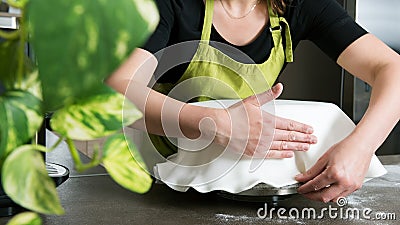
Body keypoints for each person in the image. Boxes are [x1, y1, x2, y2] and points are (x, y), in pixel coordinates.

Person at [106, 0, 400, 203]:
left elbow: (392, 69)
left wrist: (363, 146)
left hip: (267, 193)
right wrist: (211, 123)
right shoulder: (171, 5)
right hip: (166, 184)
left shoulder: (299, 4)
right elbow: (114, 93)